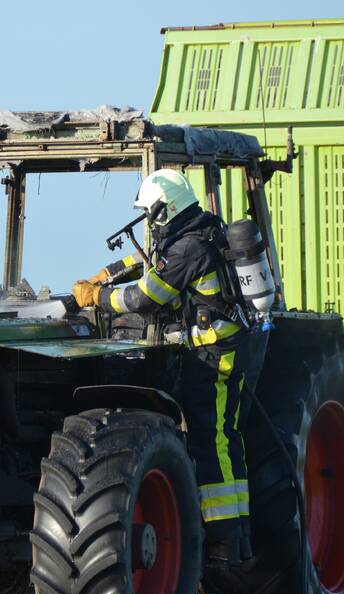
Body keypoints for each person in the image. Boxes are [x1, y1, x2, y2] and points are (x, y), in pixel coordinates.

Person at [72, 169, 256, 569]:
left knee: (214, 440)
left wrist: (98, 297)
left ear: (164, 209)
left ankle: (226, 540)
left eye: (149, 213)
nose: (149, 222)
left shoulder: (189, 248)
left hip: (213, 358)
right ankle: (237, 535)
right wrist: (109, 272)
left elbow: (145, 297)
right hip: (218, 351)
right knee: (225, 437)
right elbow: (153, 263)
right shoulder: (201, 232)